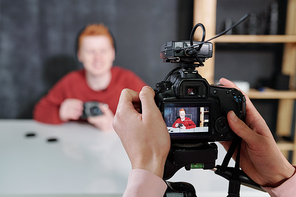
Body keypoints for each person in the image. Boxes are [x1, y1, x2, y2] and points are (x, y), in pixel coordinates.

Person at [113, 78, 296, 197]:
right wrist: (283, 179)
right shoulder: (177, 120)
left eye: (185, 114)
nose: (183, 116)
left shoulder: (189, 122)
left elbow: (191, 126)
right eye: (182, 114)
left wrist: (147, 167)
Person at [33, 24, 146, 131]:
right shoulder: (70, 82)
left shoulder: (127, 80)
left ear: (112, 54)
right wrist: (60, 113)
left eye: (103, 51)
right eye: (90, 52)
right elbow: (39, 112)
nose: (98, 58)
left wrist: (116, 127)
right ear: (80, 55)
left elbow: (154, 115)